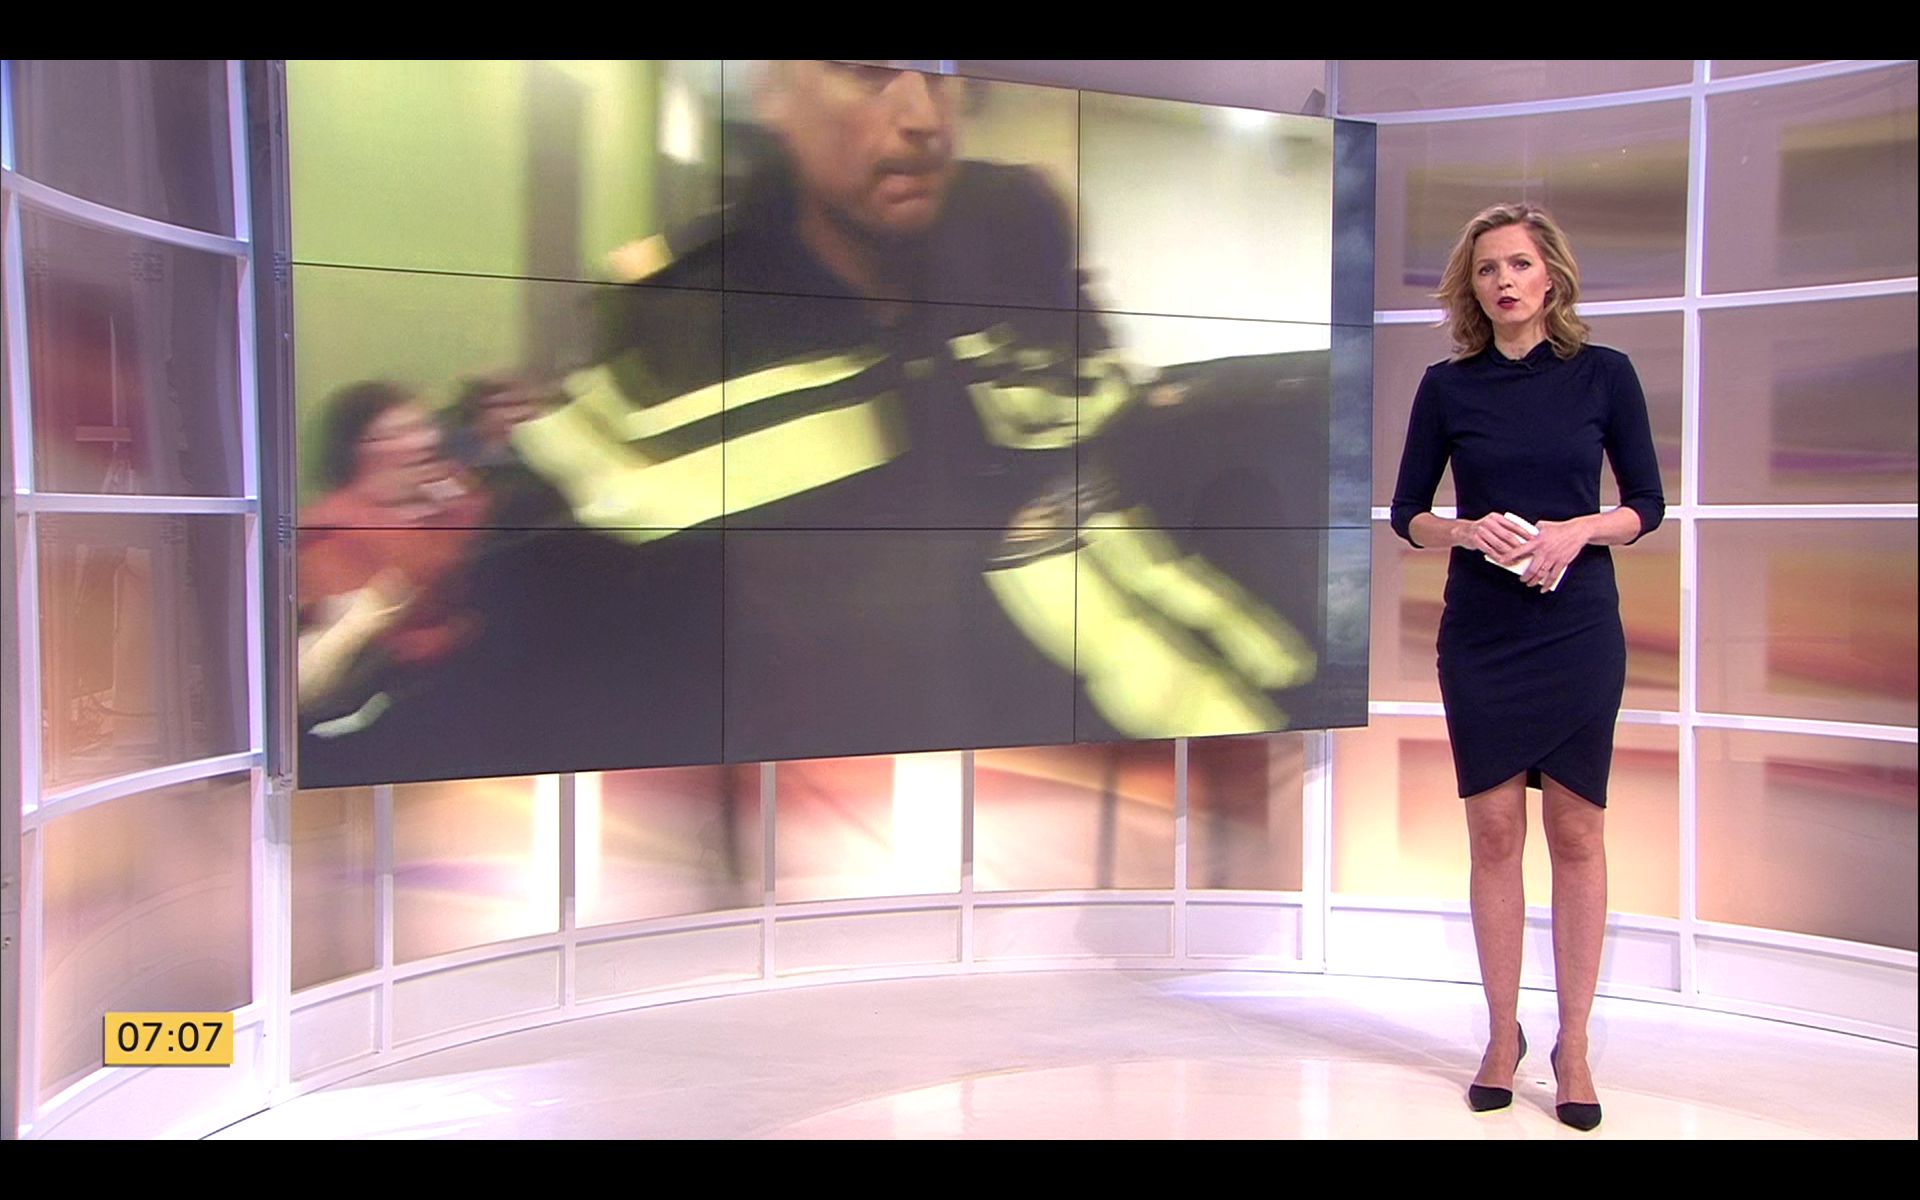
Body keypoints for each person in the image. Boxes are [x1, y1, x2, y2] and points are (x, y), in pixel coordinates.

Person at [486, 60, 1322, 769]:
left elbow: (1124, 477)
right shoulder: (681, 332)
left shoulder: (1016, 253)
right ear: (772, 91)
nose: (924, 117)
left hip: (1170, 747)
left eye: (943, 78)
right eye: (868, 72)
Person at [1389, 202, 1666, 1131]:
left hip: (1576, 627)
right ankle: (1500, 1036)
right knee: (1495, 833)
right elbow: (1406, 513)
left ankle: (1573, 1044)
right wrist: (1464, 531)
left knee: (1578, 834)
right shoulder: (1447, 386)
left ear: (1551, 275)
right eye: (1485, 269)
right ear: (1470, 289)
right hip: (1483, 632)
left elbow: (1647, 503)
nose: (1503, 281)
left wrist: (1578, 530)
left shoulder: (1605, 374)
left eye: (1517, 264)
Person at [295, 381, 488, 776]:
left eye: (424, 426)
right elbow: (350, 647)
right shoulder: (330, 530)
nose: (426, 441)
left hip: (463, 692)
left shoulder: (450, 503)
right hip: (391, 716)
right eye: (402, 432)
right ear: (363, 448)